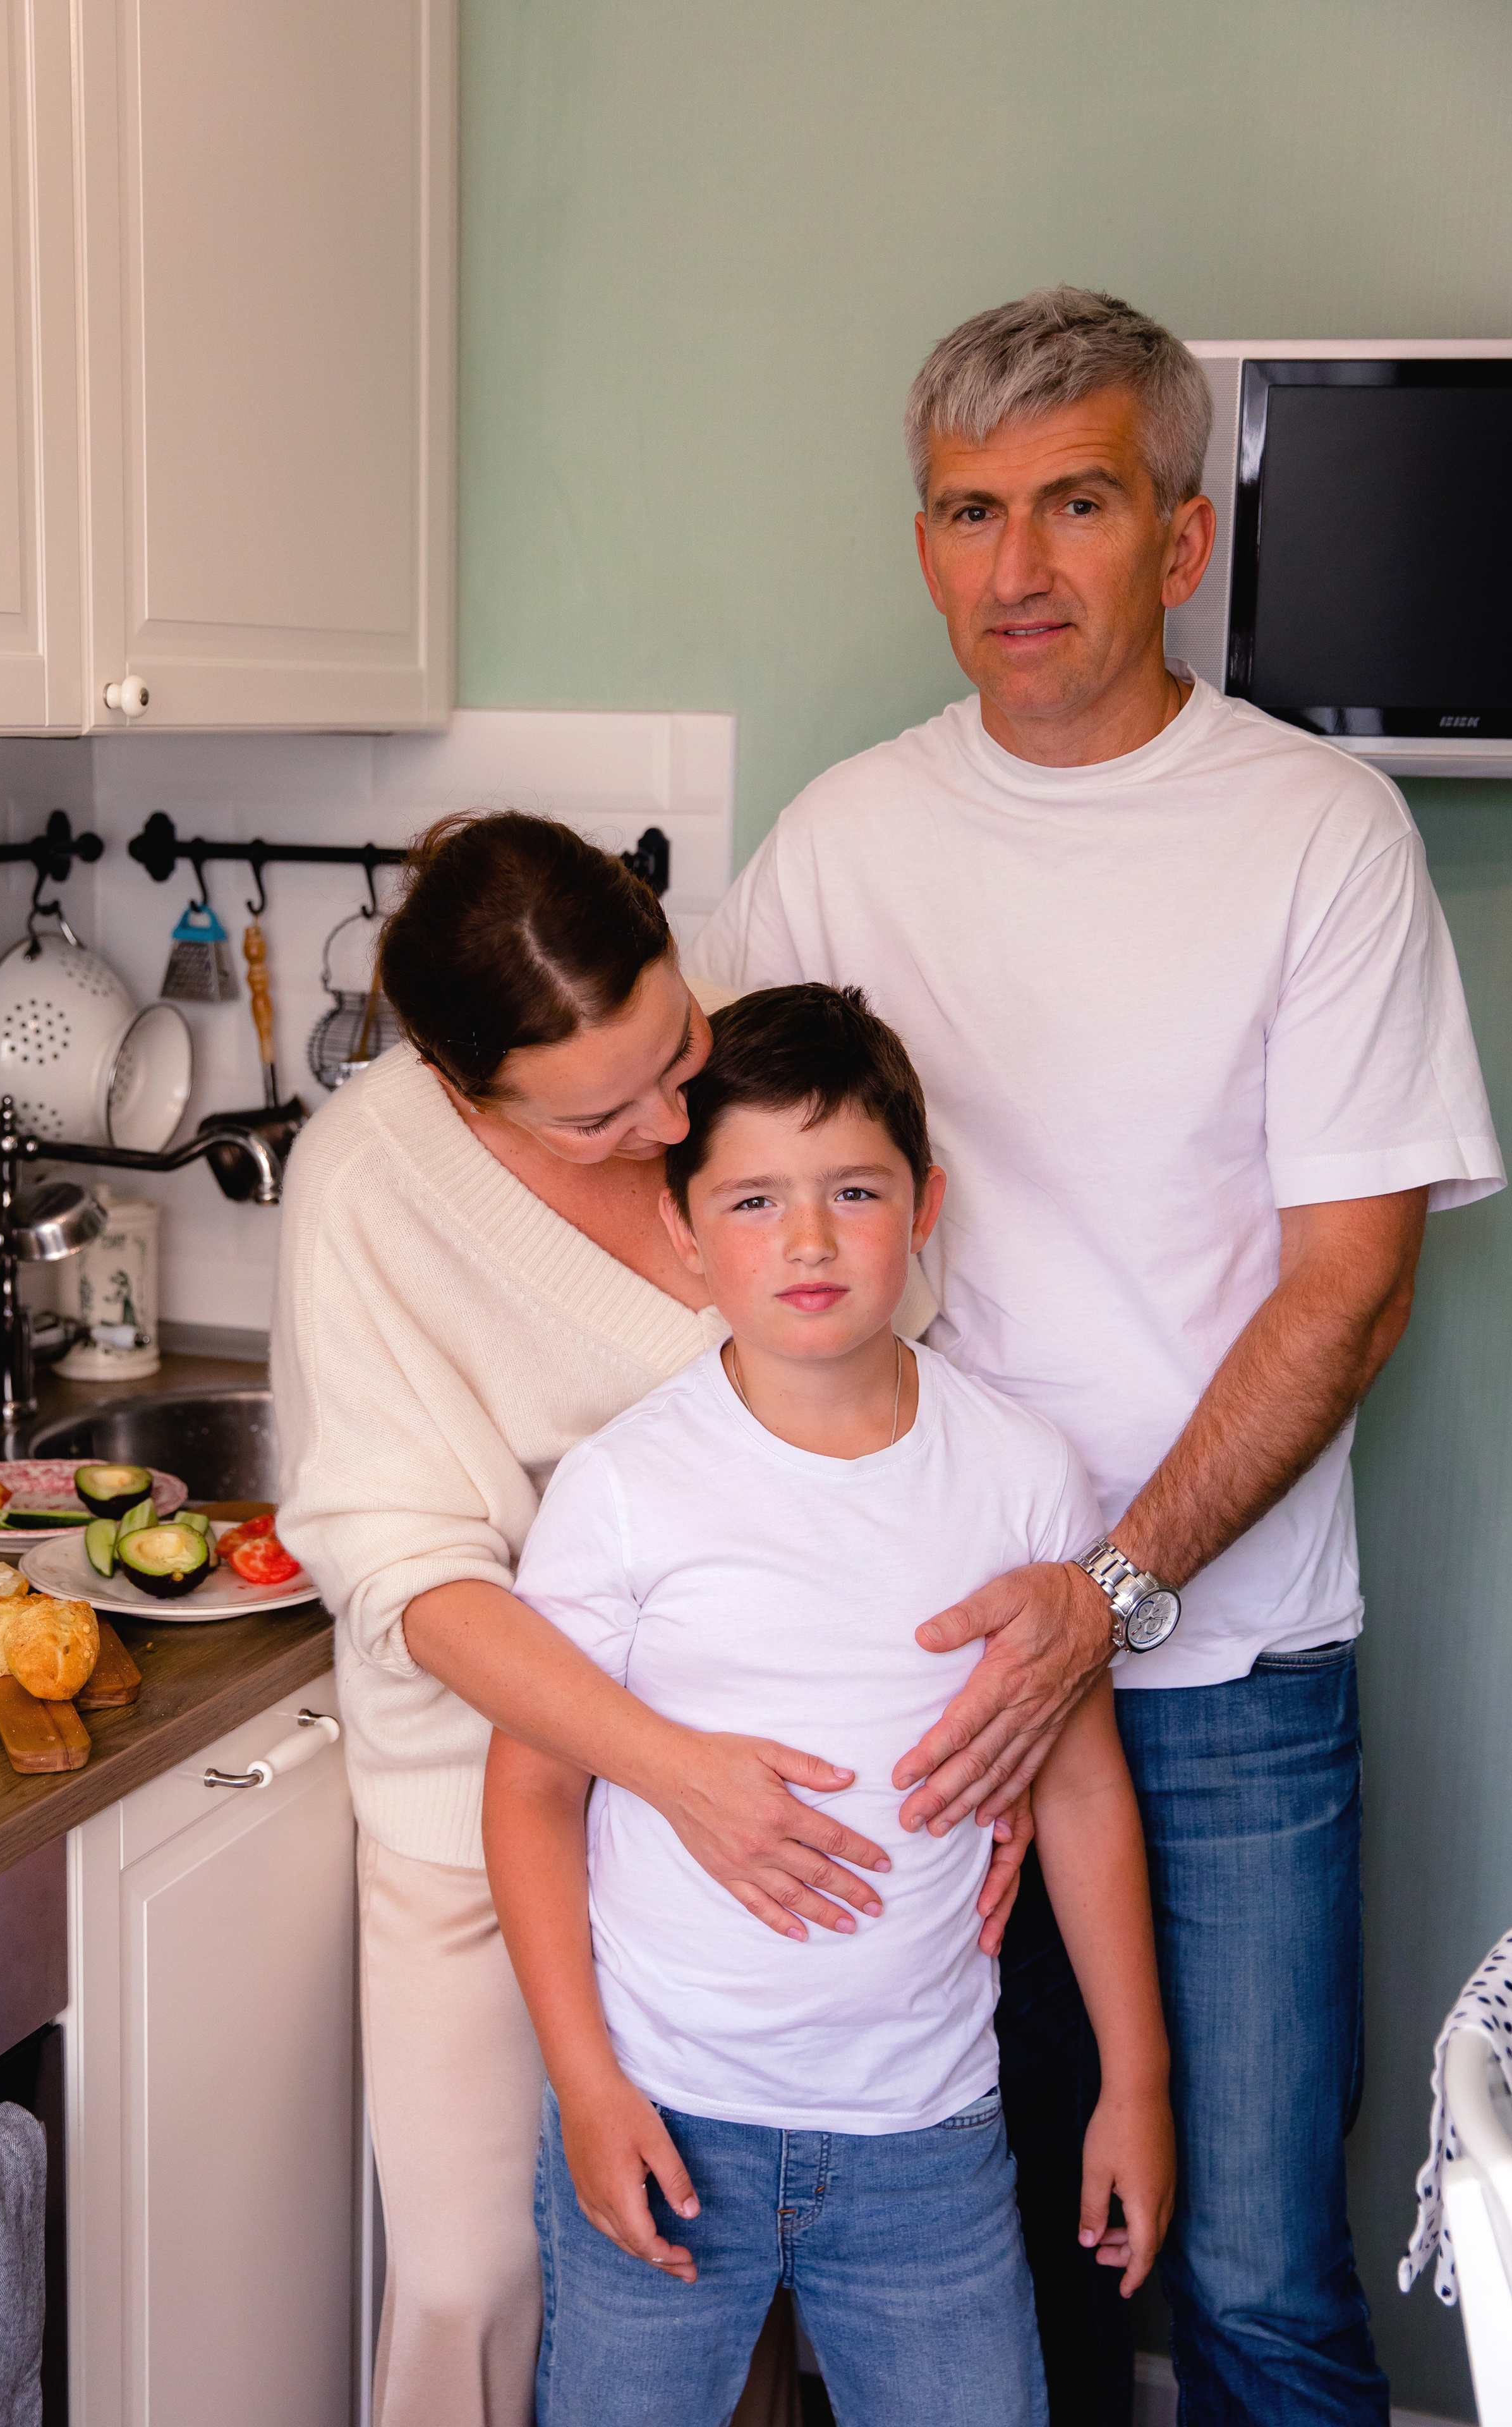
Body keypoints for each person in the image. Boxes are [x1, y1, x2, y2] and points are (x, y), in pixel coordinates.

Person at [689, 288, 1504, 2424]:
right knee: (987, 2251)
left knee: (1252, 2273)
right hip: (927, 1678)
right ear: (924, 543)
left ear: (1182, 538)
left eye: (1078, 502)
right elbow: (704, 1182)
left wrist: (1111, 1592)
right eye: (971, 511)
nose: (1019, 565)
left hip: (1222, 1678)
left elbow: (1352, 1286)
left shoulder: (1317, 832)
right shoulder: (847, 842)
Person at [270, 812, 1020, 2427]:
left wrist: (980, 1749)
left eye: (674, 1051)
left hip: (797, 1810)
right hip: (502, 1801)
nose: (671, 1120)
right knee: (477, 2274)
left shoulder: (751, 1050)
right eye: (600, 1115)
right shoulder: (367, 1186)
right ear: (466, 1091)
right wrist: (668, 1770)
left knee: (725, 2265)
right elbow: (408, 1571)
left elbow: (892, 1383)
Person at [485, 984, 1175, 2427]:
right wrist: (586, 2088)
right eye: (752, 1200)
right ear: (683, 1232)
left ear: (924, 1205)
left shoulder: (1021, 1474)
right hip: (664, 2114)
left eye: (853, 1190)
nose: (807, 1240)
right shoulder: (623, 1488)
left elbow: (1079, 1786)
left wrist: (1136, 2079)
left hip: (928, 2142)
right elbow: (533, 1792)